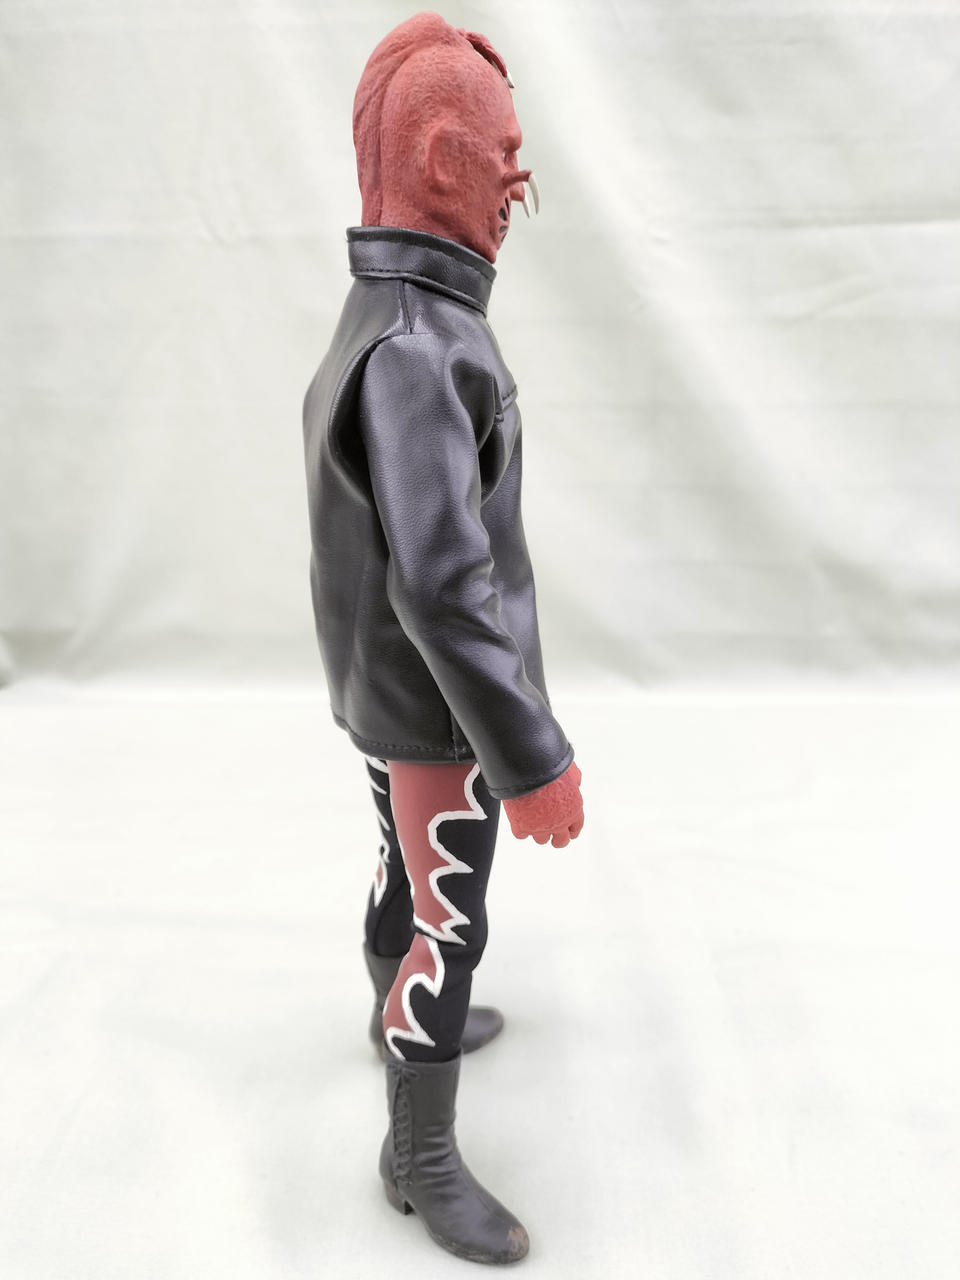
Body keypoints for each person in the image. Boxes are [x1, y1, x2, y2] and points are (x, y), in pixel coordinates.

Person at [302, 12, 584, 1264]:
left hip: (383, 689)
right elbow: (443, 582)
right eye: (500, 149)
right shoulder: (425, 345)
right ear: (436, 158)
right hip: (439, 708)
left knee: (400, 866)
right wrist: (529, 753)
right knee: (448, 917)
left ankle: (392, 1018)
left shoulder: (380, 310)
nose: (517, 178)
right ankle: (416, 1153)